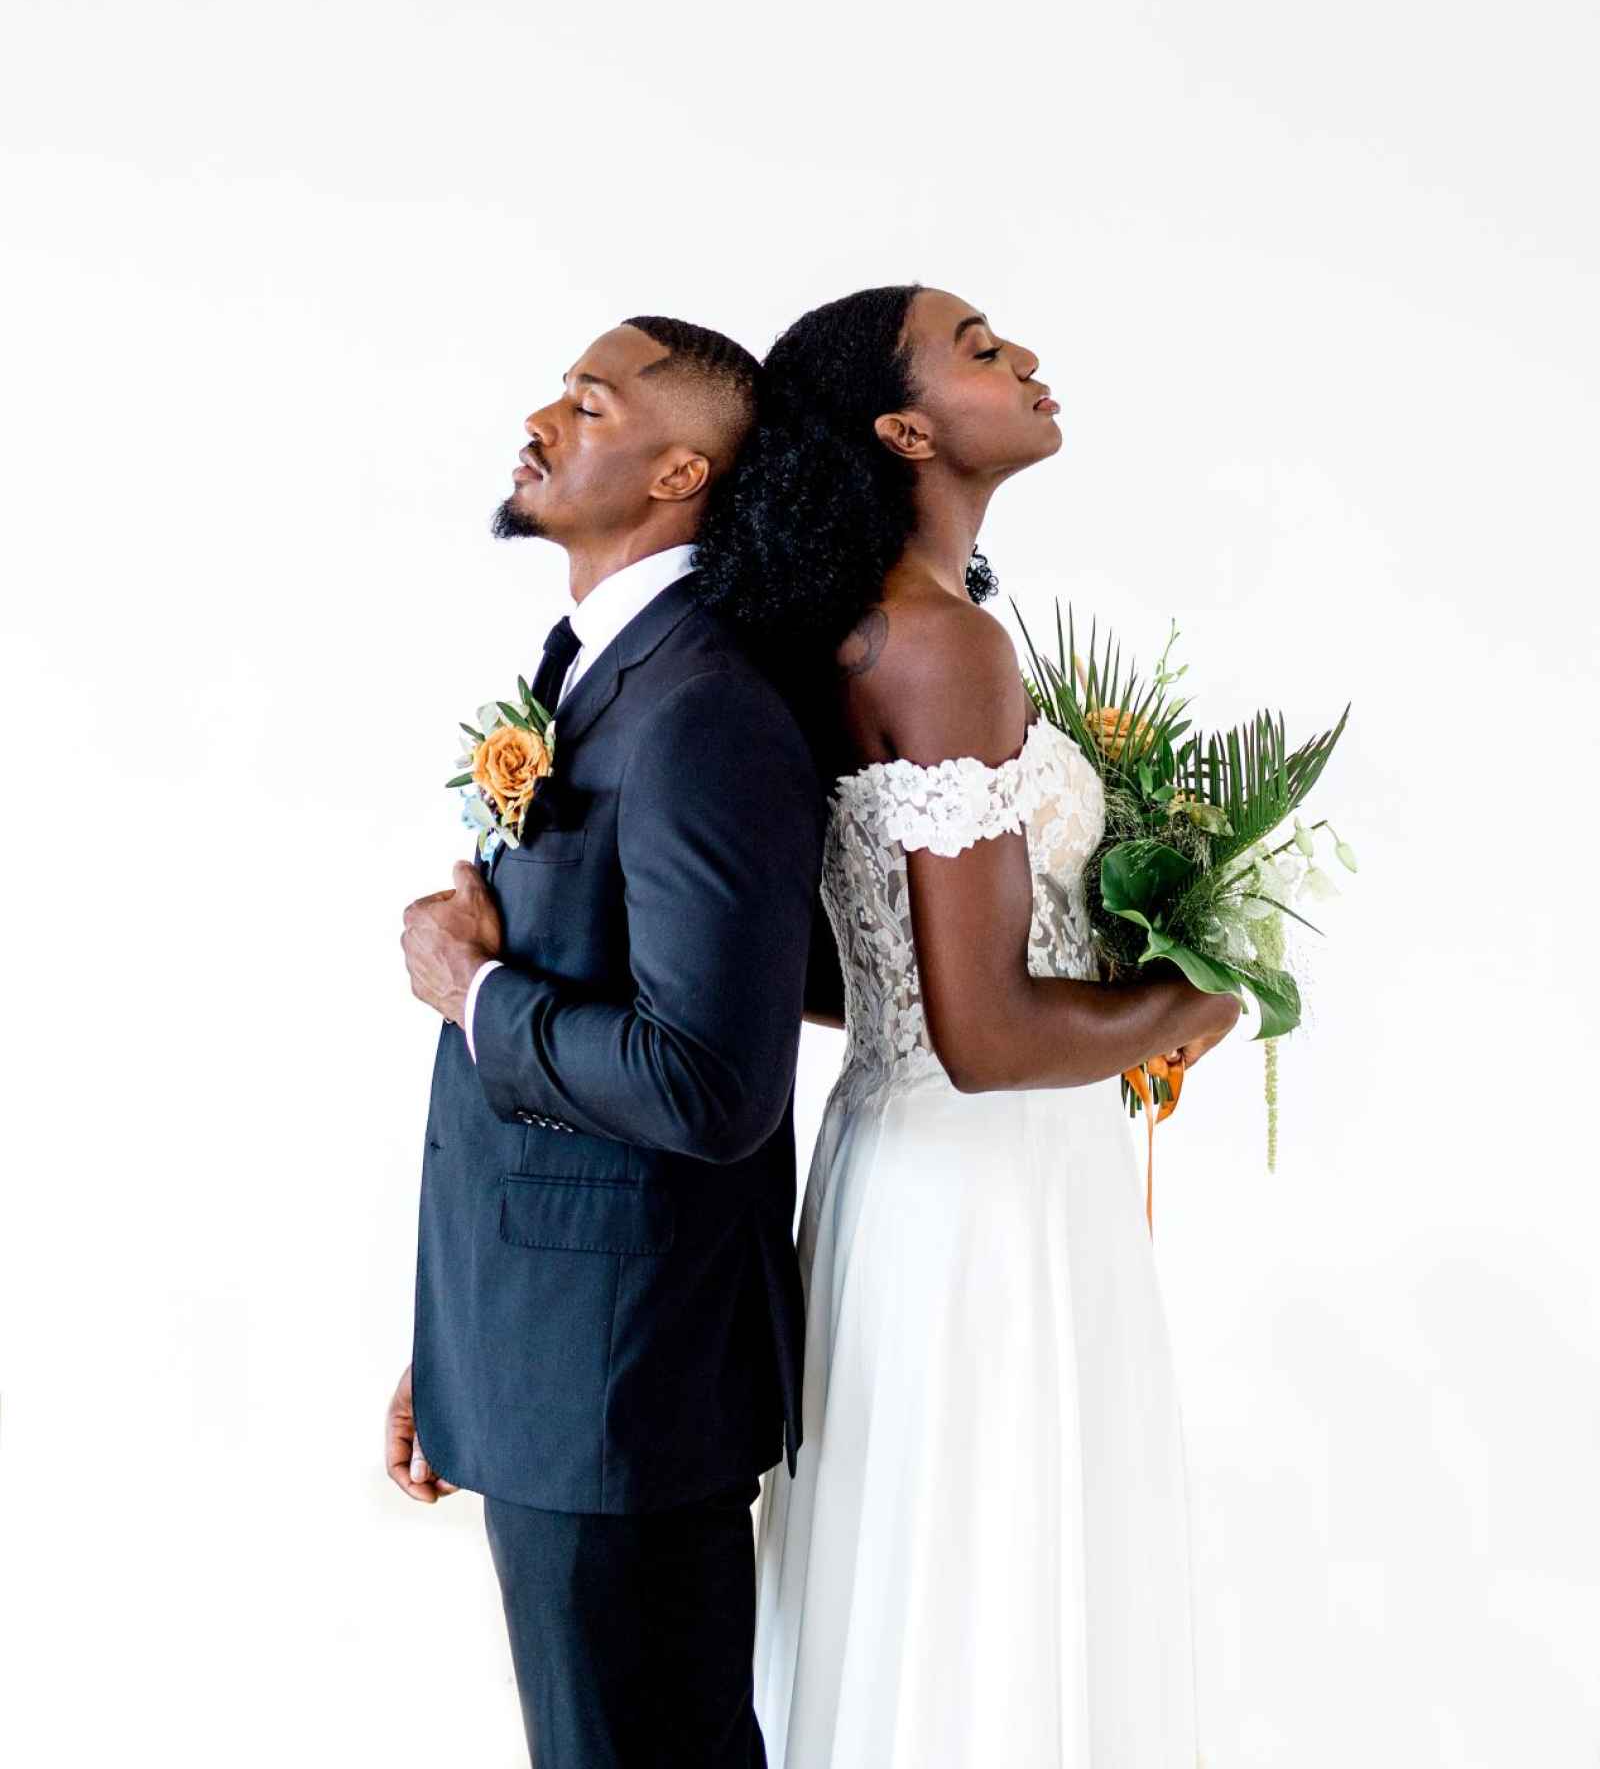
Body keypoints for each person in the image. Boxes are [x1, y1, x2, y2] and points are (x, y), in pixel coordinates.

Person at [695, 284, 1241, 1769]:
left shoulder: (863, 628)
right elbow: (987, 1036)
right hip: (986, 1190)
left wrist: (1111, 983)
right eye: (983, 351)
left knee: (935, 1590)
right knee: (992, 1589)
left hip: (913, 1168)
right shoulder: (941, 643)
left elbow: (857, 976)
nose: (1028, 360)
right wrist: (1195, 997)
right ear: (906, 430)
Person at [387, 315, 825, 1769]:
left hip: (626, 1387)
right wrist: (461, 1343)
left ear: (681, 471)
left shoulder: (705, 709)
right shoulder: (594, 666)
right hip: (551, 1352)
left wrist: (473, 993)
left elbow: (709, 1085)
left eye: (587, 403)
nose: (541, 420)